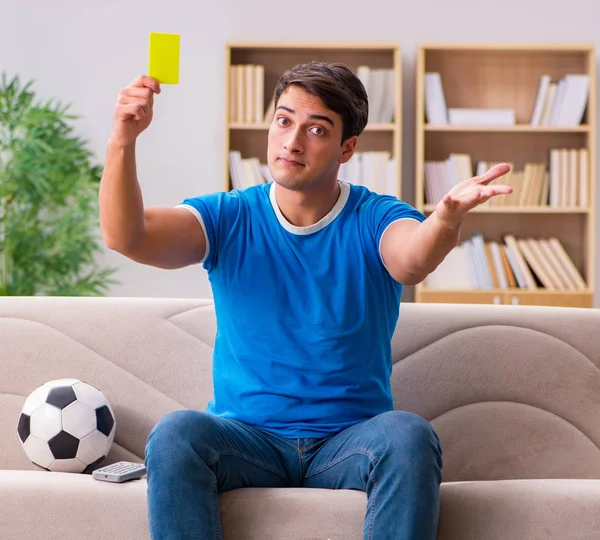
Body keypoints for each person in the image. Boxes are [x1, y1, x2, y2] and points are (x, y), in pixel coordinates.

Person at [99, 61, 511, 540]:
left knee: (408, 434)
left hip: (349, 442)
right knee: (176, 434)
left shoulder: (376, 216)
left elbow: (411, 260)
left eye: (317, 129)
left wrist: (444, 220)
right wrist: (123, 141)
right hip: (246, 439)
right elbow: (126, 235)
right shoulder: (229, 216)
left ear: (346, 148)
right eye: (284, 120)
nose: (293, 141)